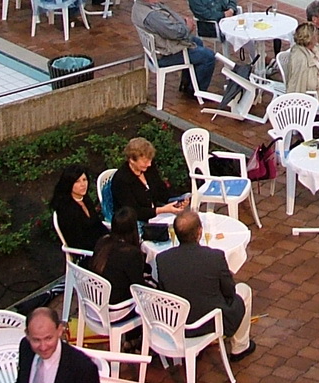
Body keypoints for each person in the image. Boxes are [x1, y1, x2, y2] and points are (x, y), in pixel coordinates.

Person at [156, 208, 255, 362]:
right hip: (208, 323)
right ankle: (240, 347)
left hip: (175, 324)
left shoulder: (162, 259)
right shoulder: (215, 257)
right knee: (244, 291)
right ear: (199, 232)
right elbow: (229, 292)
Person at [133, 0, 216, 94]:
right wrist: (187, 27)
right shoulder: (152, 16)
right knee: (209, 57)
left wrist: (182, 23)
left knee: (197, 42)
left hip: (159, 47)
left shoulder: (139, 6)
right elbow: (174, 33)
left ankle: (187, 83)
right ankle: (195, 92)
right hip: (166, 54)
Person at [109, 136, 184, 224]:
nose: (149, 164)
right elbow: (133, 212)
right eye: (145, 161)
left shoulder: (149, 169)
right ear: (132, 160)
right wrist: (162, 210)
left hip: (156, 216)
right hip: (134, 222)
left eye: (150, 160)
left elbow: (161, 191)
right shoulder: (121, 180)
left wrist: (178, 201)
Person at [89, 208, 148, 304]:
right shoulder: (131, 254)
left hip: (96, 301)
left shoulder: (102, 242)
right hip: (117, 308)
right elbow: (139, 288)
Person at [50, 165, 105, 253]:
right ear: (69, 183)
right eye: (77, 181)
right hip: (88, 253)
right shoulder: (67, 210)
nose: (83, 185)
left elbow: (97, 224)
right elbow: (77, 242)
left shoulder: (85, 199)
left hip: (101, 245)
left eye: (84, 180)